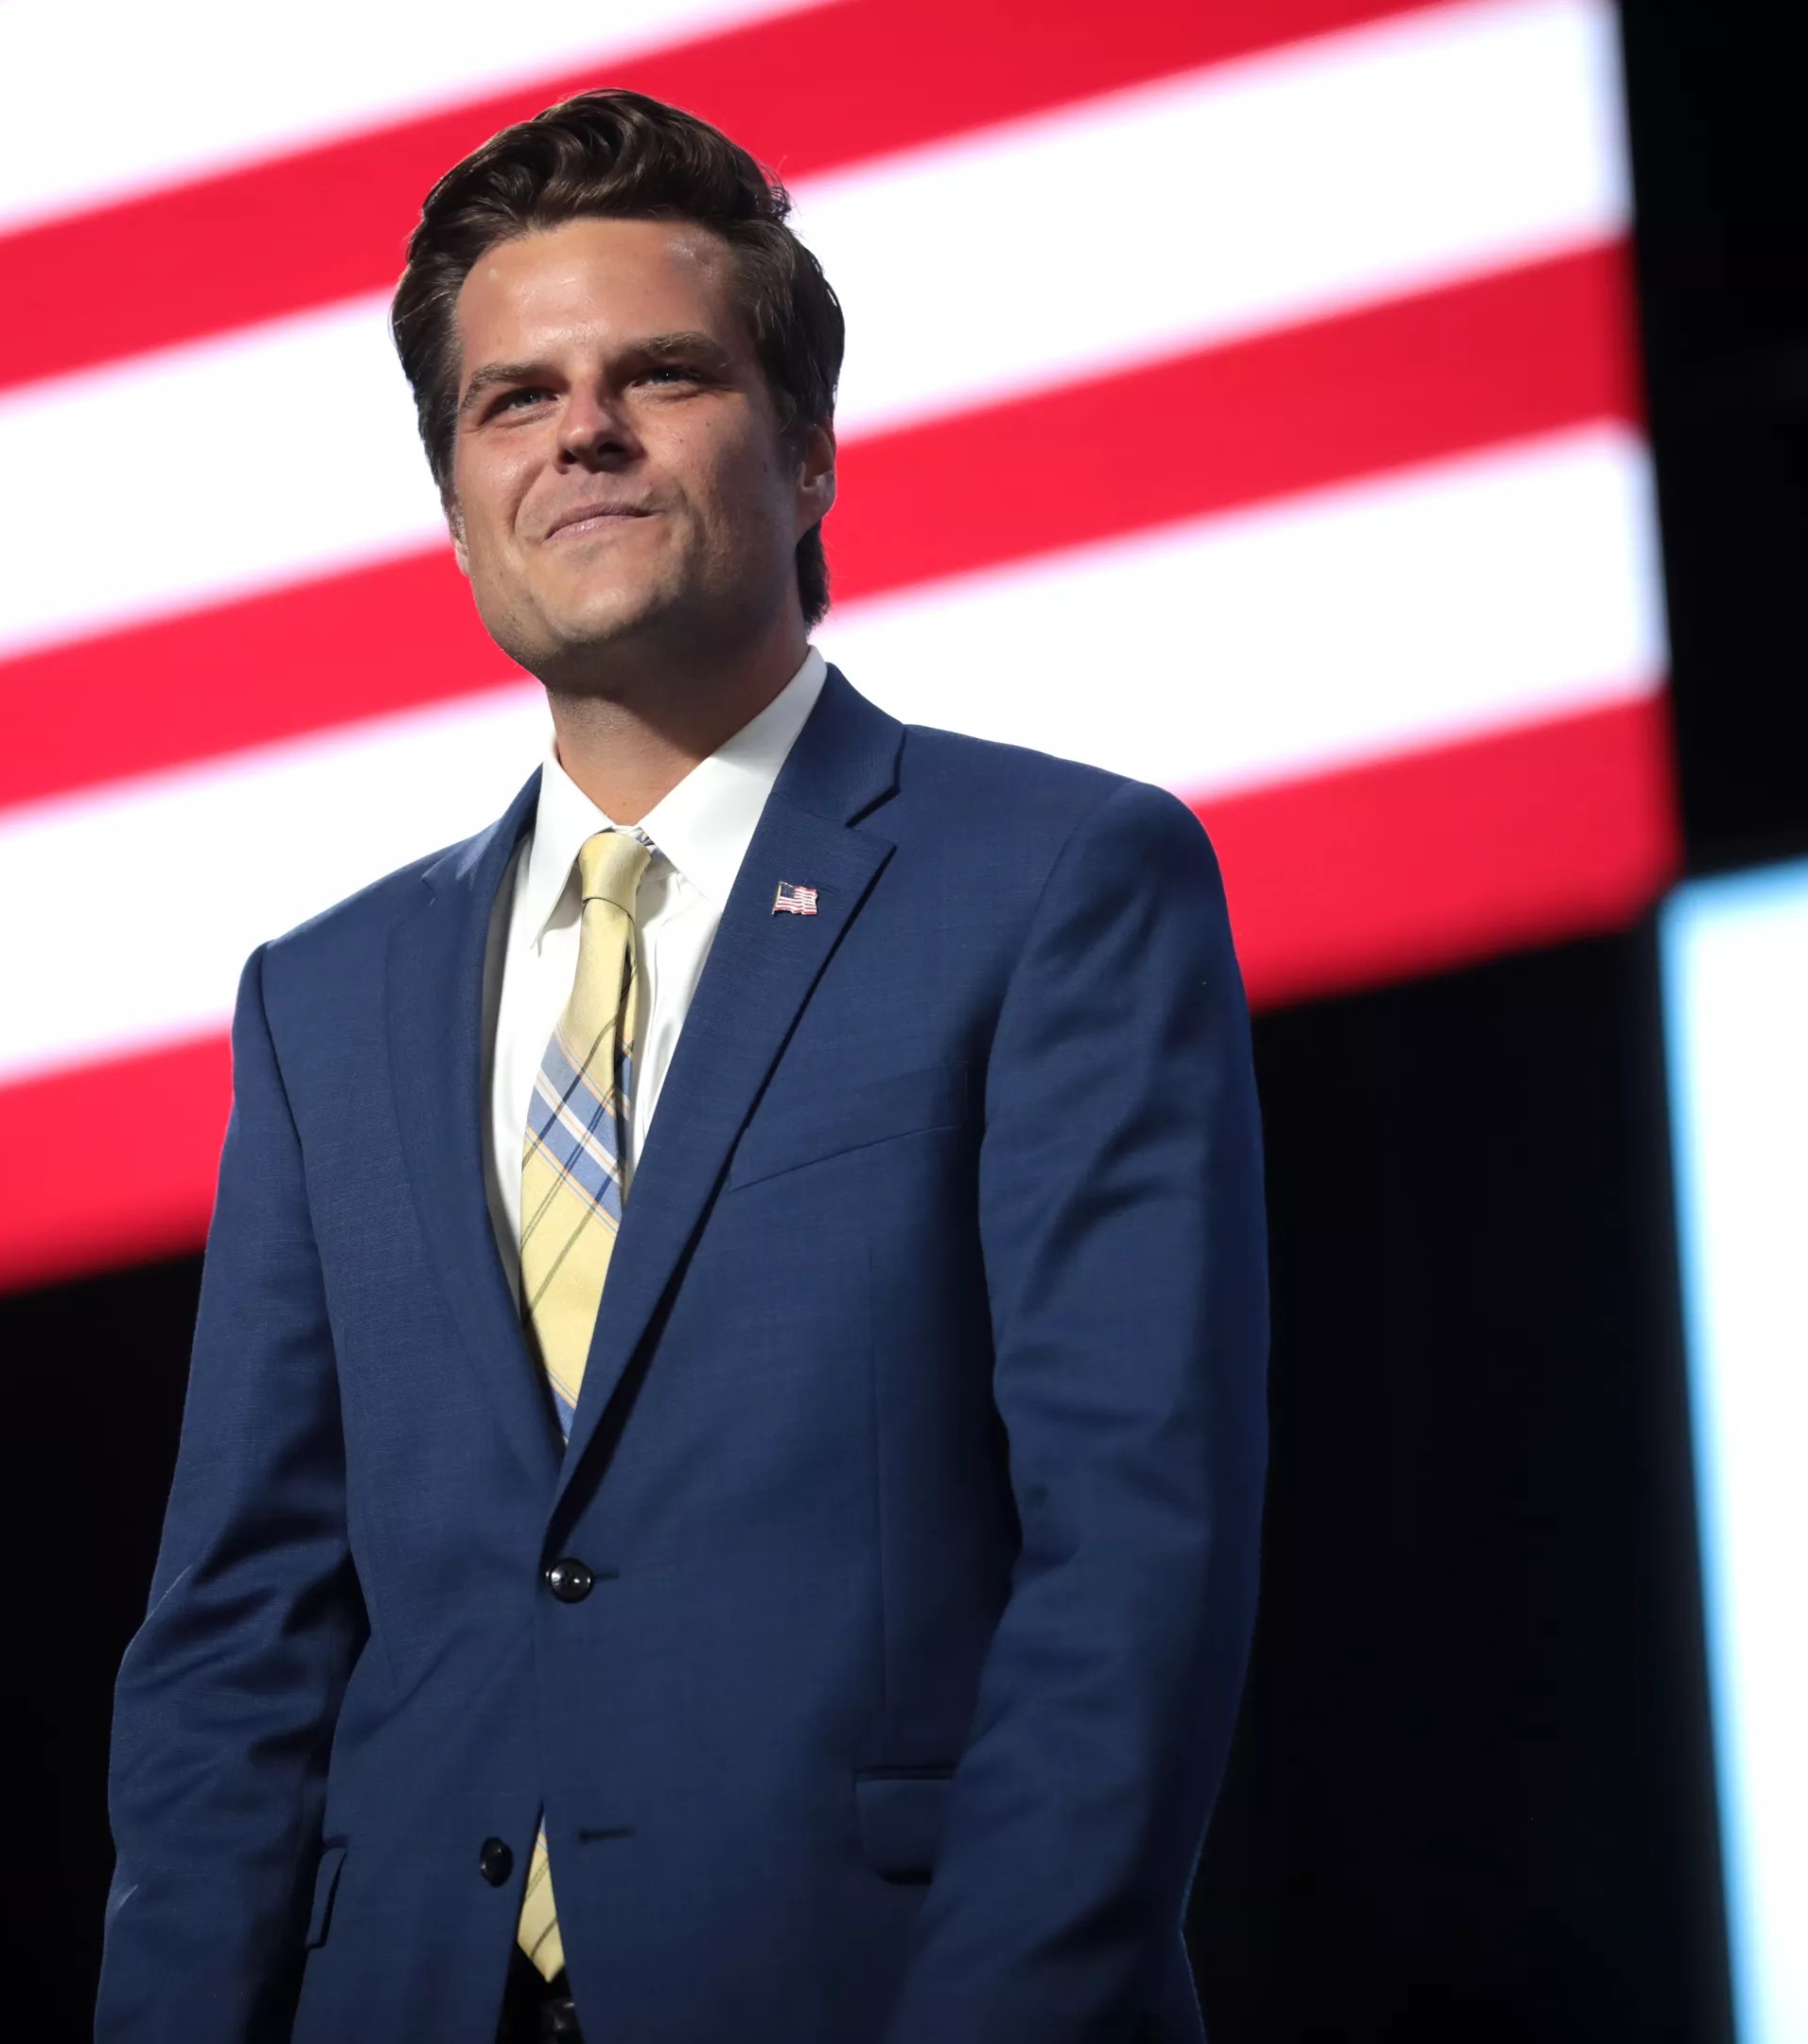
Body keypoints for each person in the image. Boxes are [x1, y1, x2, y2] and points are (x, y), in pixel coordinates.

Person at [95, 88, 1268, 2044]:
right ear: (457, 501)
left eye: (660, 372)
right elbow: (238, 1644)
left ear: (807, 450)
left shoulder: (1062, 882)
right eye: (514, 398)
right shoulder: (323, 1002)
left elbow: (1132, 1568)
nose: (584, 431)